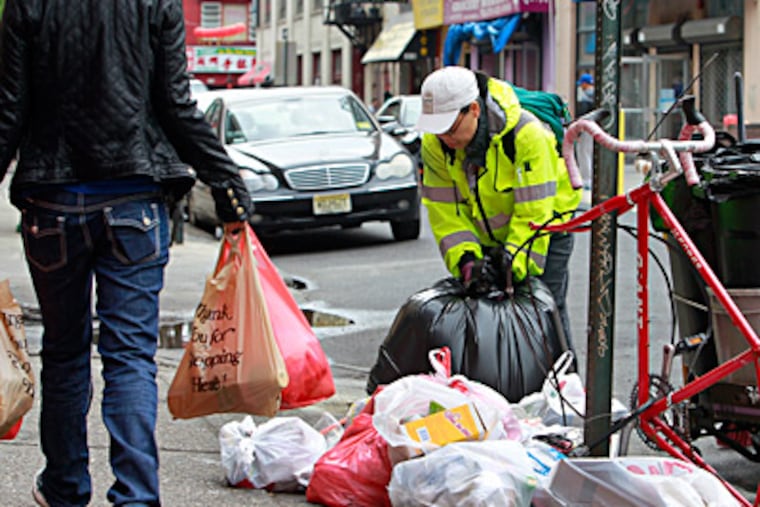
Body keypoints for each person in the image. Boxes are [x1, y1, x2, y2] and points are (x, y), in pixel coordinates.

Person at [0, 1, 253, 506]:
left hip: (52, 202)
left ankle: (66, 486)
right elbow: (176, 105)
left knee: (64, 352)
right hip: (134, 200)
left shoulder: (27, 4)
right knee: (130, 357)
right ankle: (136, 496)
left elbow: (9, 109)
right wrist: (225, 177)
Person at [415, 66, 581, 351]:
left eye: (451, 129)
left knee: (544, 309)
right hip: (487, 230)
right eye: (438, 130)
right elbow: (445, 212)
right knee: (489, 313)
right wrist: (467, 260)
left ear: (474, 110)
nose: (445, 139)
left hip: (548, 227)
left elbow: (534, 213)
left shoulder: (528, 135)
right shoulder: (436, 144)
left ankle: (566, 384)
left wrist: (512, 263)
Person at [575, 73, 595, 189]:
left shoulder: (585, 99)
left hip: (585, 129)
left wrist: (578, 131)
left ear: (585, 84)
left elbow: (582, 116)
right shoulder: (595, 96)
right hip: (593, 128)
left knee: (584, 153)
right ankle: (589, 178)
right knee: (589, 153)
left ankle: (586, 179)